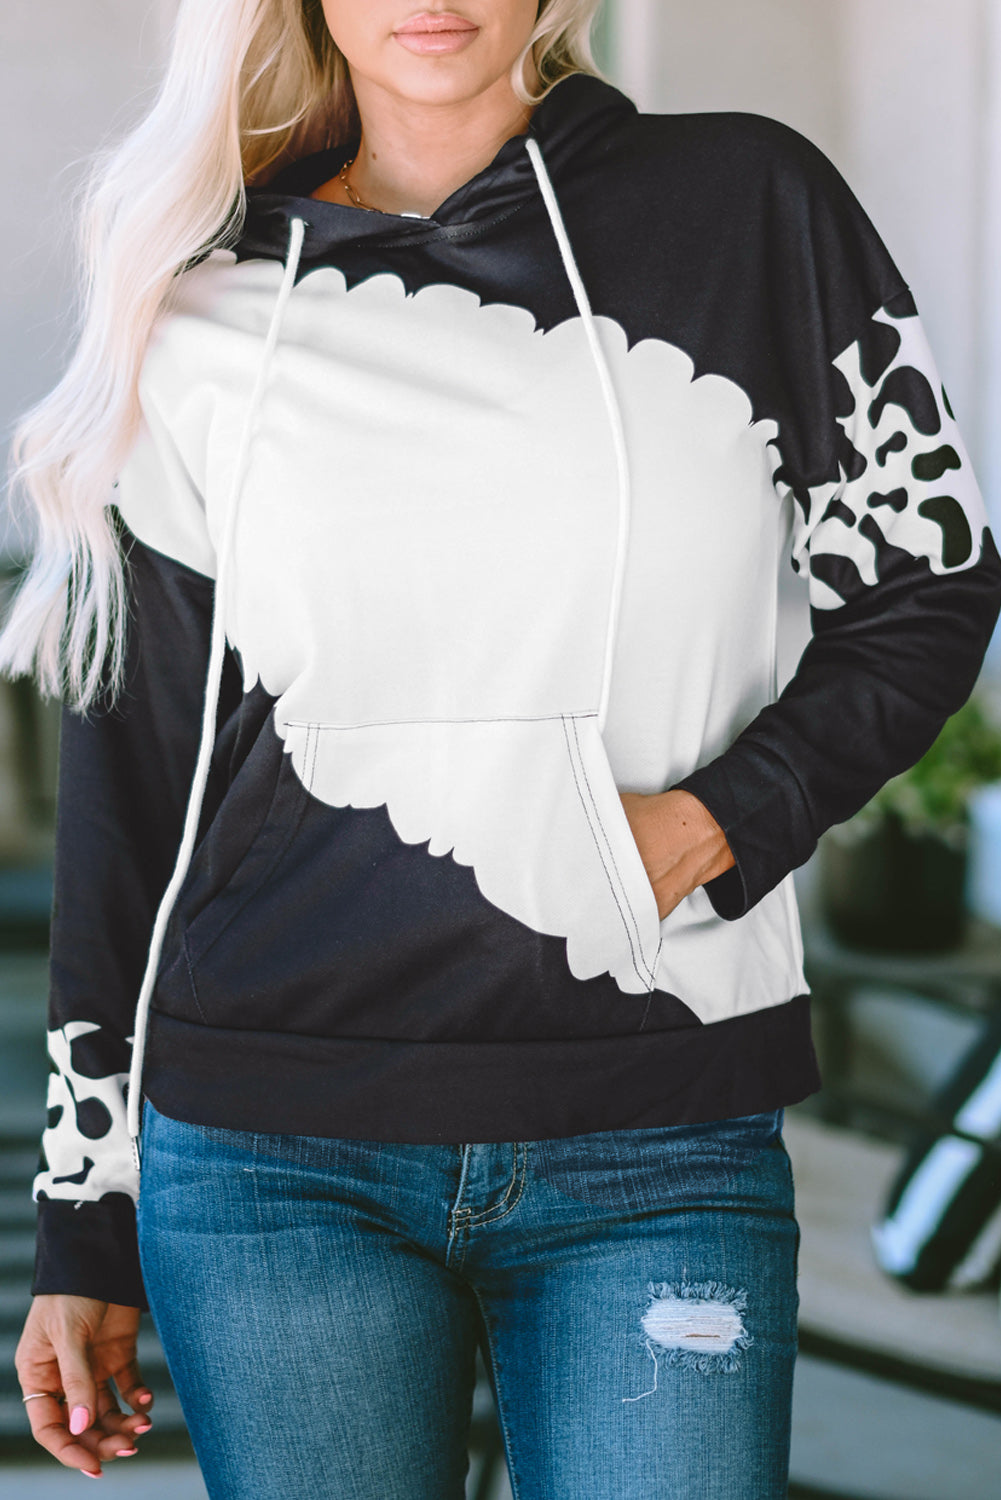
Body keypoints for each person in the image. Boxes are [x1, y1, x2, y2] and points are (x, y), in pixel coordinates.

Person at [8, 1, 1001, 1495]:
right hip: (273, 1148)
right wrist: (86, 1211)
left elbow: (929, 579)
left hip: (654, 1129)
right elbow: (136, 783)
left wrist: (717, 822)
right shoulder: (200, 301)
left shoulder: (746, 204)